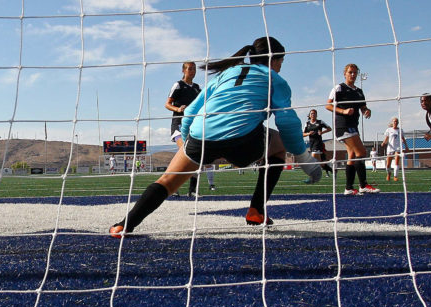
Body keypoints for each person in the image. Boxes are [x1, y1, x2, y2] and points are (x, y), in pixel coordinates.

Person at [109, 36, 321, 237]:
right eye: (281, 60)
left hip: (201, 137)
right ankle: (257, 210)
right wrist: (305, 159)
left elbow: (191, 111)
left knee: (167, 181)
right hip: (243, 143)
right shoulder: (275, 78)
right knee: (279, 144)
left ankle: (124, 225)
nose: (281, 66)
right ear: (274, 59)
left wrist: (186, 143)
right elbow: (287, 121)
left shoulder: (224, 74)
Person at [326, 63, 378, 196]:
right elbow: (328, 105)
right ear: (345, 73)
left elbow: (363, 107)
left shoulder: (359, 91)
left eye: (355, 72)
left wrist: (367, 111)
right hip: (342, 125)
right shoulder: (339, 88)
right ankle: (363, 185)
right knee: (361, 152)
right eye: (350, 72)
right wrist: (343, 111)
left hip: (353, 125)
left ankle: (348, 188)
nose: (353, 75)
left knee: (352, 155)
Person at [166, 61, 203, 197]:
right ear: (183, 71)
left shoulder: (197, 88)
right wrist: (178, 108)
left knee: (196, 155)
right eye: (189, 69)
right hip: (179, 124)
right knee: (184, 152)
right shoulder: (178, 85)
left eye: (194, 69)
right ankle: (172, 185)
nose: (192, 71)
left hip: (193, 126)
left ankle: (192, 190)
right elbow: (167, 104)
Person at [302, 109, 332, 183]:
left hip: (318, 143)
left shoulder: (320, 122)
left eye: (314, 113)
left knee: (312, 160)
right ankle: (331, 169)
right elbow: (302, 134)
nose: (313, 115)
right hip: (311, 144)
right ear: (309, 115)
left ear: (316, 115)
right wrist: (308, 134)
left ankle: (312, 177)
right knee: (319, 162)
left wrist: (322, 132)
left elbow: (329, 128)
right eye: (312, 113)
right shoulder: (307, 123)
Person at [382, 117, 407, 181]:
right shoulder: (389, 130)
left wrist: (406, 146)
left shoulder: (400, 130)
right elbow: (386, 138)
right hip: (390, 148)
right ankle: (389, 174)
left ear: (398, 123)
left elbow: (403, 139)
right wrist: (383, 143)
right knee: (388, 164)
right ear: (392, 122)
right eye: (394, 121)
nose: (395, 122)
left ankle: (395, 176)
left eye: (396, 121)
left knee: (396, 162)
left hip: (397, 148)